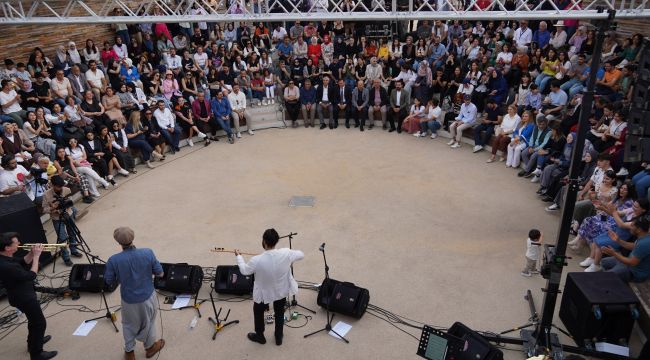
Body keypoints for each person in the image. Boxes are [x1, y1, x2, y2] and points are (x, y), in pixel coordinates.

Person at [235, 229, 304, 346]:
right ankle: (278, 337)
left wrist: (239, 257)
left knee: (258, 311)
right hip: (280, 291)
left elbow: (244, 270)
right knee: (279, 312)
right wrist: (290, 260)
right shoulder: (286, 253)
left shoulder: (256, 260)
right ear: (276, 241)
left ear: (264, 241)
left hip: (263, 293)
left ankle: (260, 336)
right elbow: (301, 255)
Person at [104, 227, 165, 360]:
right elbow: (160, 273)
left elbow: (109, 281)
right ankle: (150, 348)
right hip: (148, 296)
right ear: (133, 237)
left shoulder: (113, 260)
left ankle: (129, 353)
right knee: (149, 322)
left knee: (128, 325)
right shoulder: (148, 252)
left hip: (128, 300)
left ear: (118, 242)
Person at [0, 233, 57, 360]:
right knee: (39, 323)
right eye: (16, 242)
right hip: (24, 298)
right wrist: (36, 257)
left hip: (22, 294)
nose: (19, 243)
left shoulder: (5, 257)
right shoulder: (6, 266)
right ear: (7, 248)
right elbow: (31, 275)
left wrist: (31, 253)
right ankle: (37, 354)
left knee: (34, 321)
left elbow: (22, 262)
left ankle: (33, 343)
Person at [601, 215, 650, 283]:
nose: (630, 227)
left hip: (634, 273)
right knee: (604, 262)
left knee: (606, 276)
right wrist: (618, 240)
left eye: (632, 226)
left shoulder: (644, 243)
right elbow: (634, 246)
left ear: (639, 230)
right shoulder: (644, 236)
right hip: (628, 264)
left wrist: (614, 253)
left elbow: (631, 262)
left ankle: (611, 283)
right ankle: (613, 282)